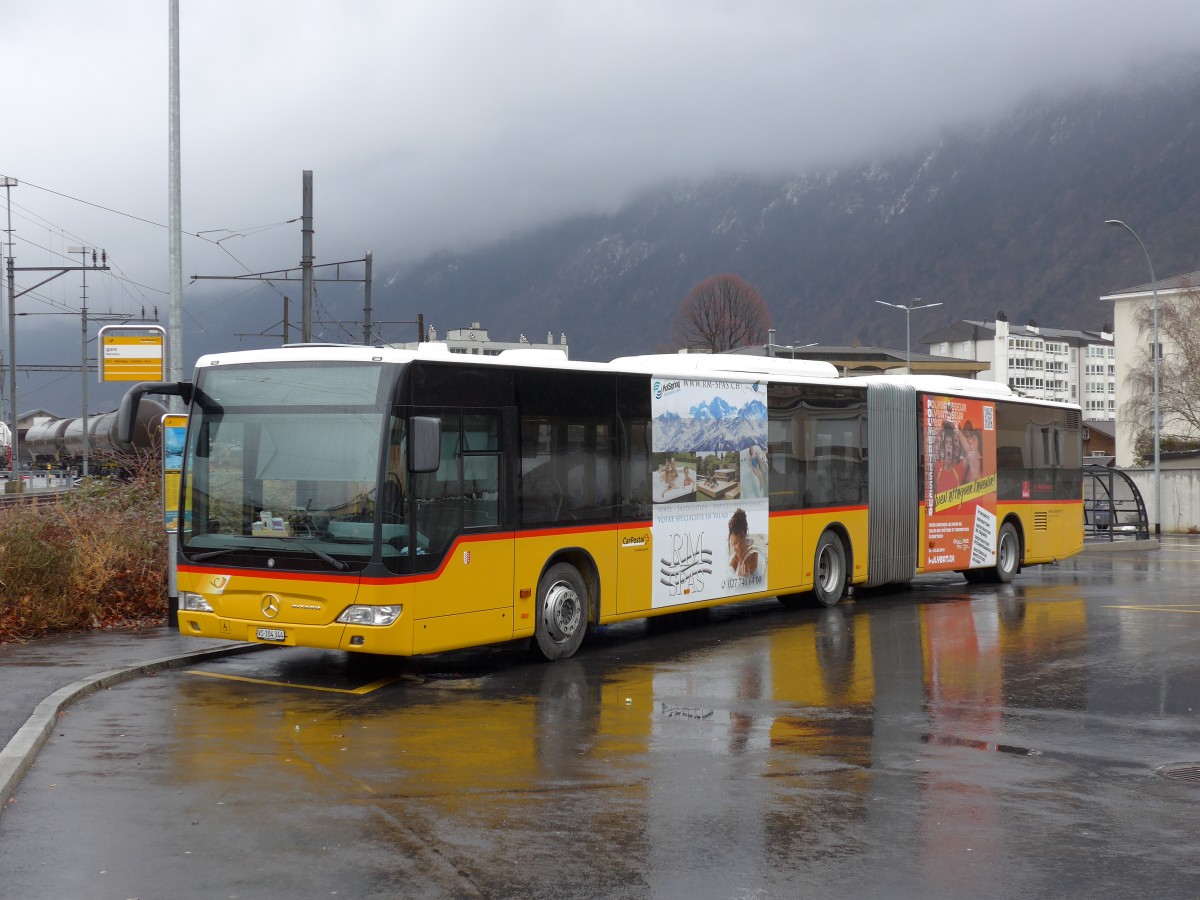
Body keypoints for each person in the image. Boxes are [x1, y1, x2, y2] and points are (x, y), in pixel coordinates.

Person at [728, 507, 761, 577]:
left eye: (736, 543)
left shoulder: (755, 553)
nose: (734, 549)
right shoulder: (733, 564)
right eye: (732, 545)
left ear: (742, 536)